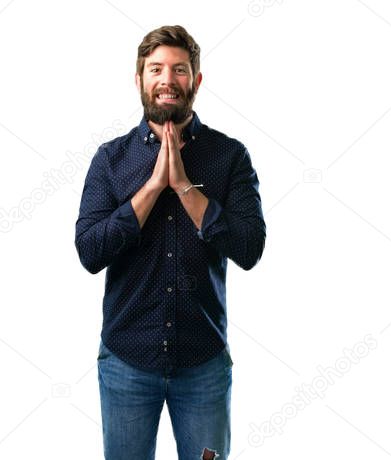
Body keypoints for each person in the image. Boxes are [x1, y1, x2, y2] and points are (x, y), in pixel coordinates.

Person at [75, 25, 266, 460]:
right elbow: (89, 251)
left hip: (204, 364)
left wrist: (183, 188)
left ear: (195, 81)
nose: (167, 80)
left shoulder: (229, 156)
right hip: (126, 362)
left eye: (179, 69)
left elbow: (250, 248)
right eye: (156, 69)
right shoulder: (110, 159)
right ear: (139, 79)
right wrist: (152, 188)